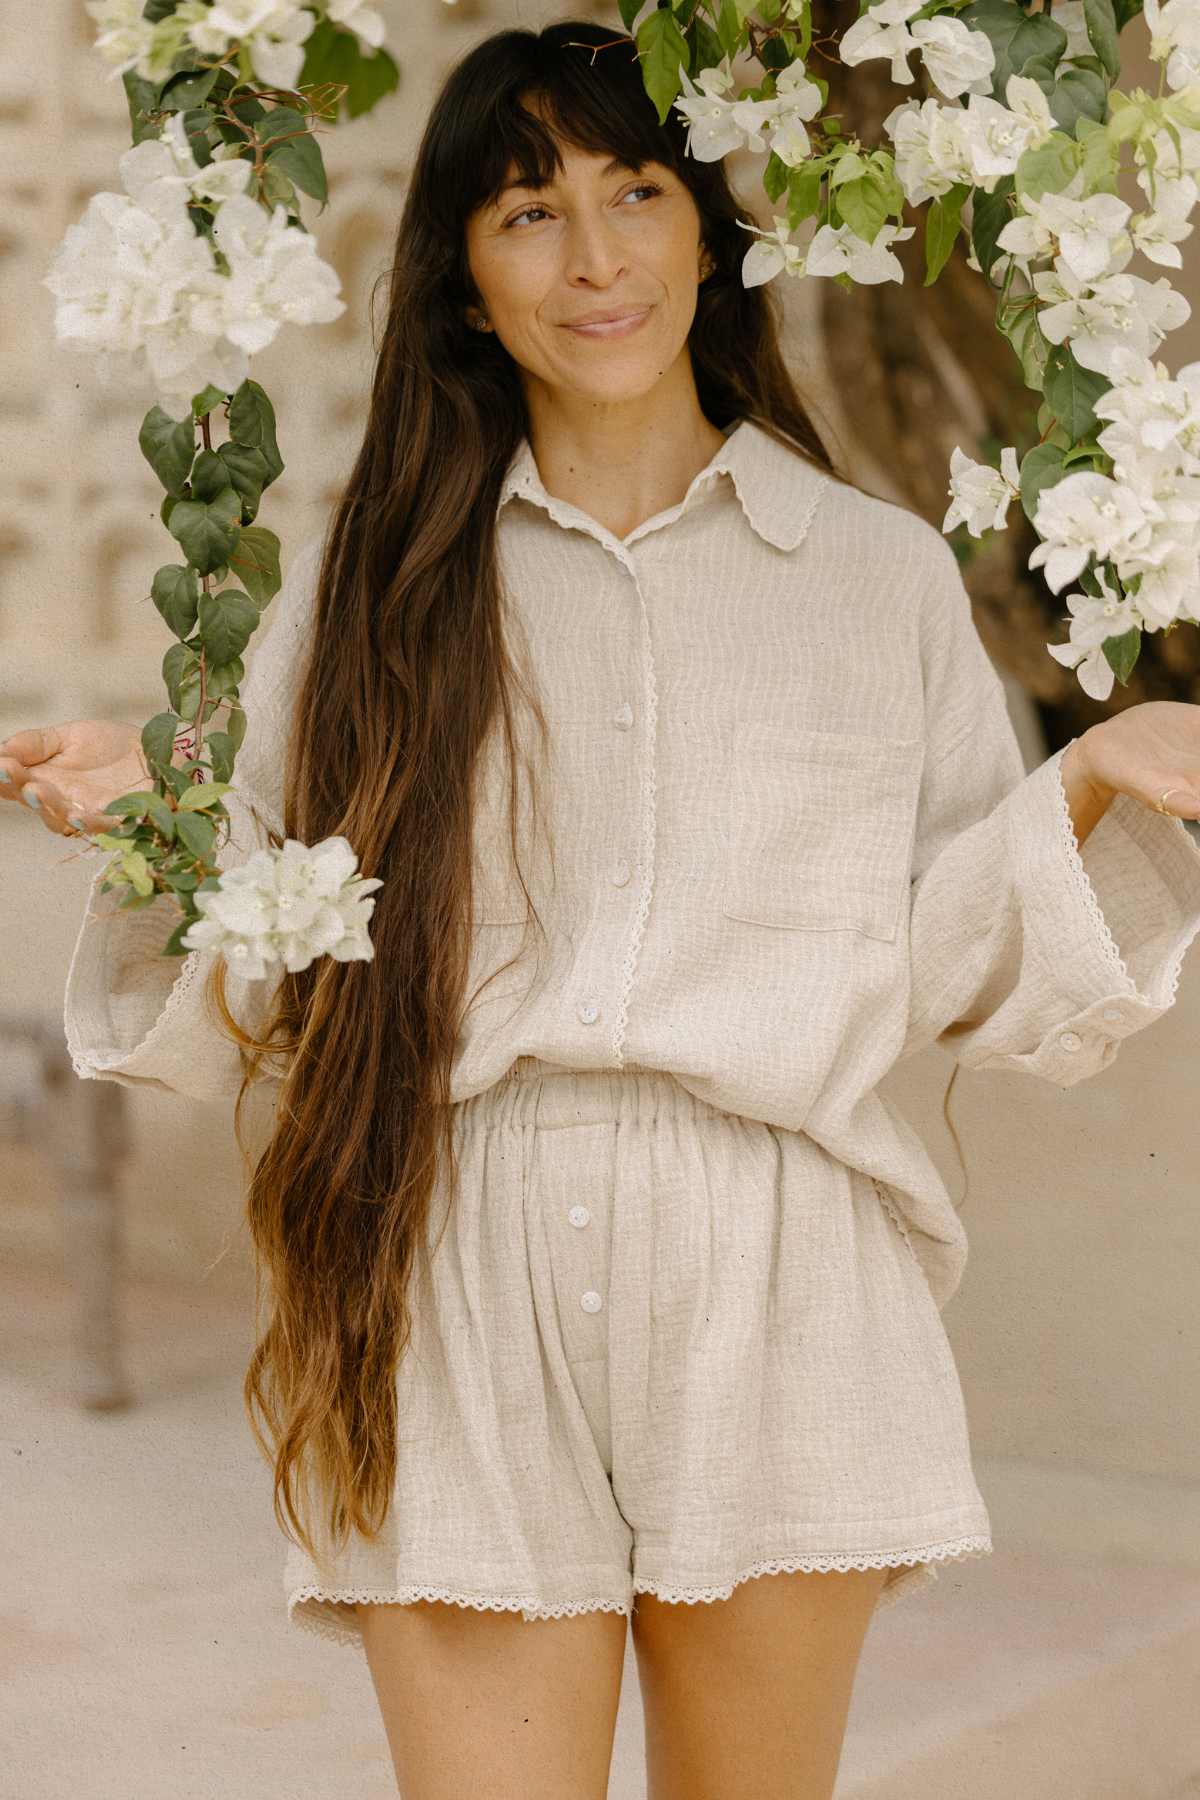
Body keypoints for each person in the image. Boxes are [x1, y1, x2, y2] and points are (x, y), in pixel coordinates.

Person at [6, 19, 1200, 1800]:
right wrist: (159, 830)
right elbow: (281, 921)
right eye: (526, 211)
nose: (594, 257)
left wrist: (1092, 782)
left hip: (785, 1268)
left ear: (708, 229)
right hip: (453, 1254)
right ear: (463, 282)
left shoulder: (872, 576)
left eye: (635, 192)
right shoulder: (372, 578)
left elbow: (947, 956)